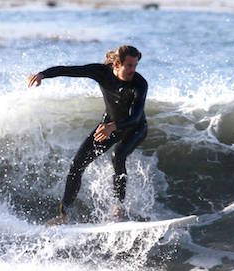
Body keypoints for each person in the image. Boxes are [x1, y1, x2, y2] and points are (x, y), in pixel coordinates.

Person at [28, 45, 148, 225]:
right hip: (109, 125)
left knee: (119, 156)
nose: (133, 70)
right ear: (117, 64)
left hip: (135, 127)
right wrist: (43, 74)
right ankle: (63, 215)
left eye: (135, 66)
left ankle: (118, 207)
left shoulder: (139, 83)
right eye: (129, 66)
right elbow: (72, 70)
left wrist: (112, 127)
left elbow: (136, 116)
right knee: (77, 165)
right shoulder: (101, 72)